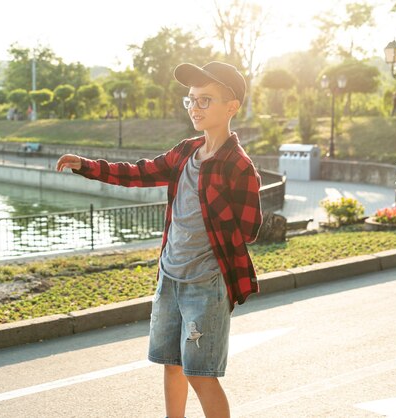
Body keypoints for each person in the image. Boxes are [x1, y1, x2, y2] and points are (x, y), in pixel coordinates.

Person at [56, 61, 262, 418]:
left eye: (205, 101)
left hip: (206, 284)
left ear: (231, 107)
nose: (195, 108)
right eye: (191, 100)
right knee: (171, 364)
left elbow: (250, 229)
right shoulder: (185, 152)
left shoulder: (238, 166)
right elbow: (138, 172)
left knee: (202, 375)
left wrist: (216, 207)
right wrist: (86, 165)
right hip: (169, 277)